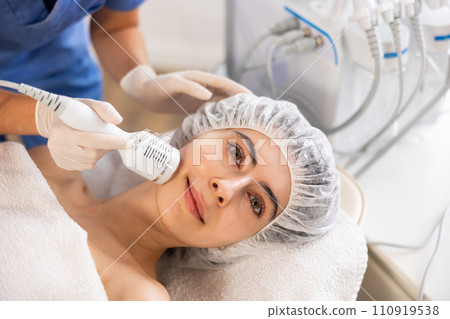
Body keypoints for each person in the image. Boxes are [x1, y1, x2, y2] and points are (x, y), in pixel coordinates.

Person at [26, 93, 340, 300]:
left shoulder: (138, 298)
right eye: (235, 152)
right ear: (200, 133)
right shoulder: (47, 166)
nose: (225, 189)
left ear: (245, 242)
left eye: (256, 203)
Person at [0, 0, 249, 170]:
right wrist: (42, 117)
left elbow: (116, 24)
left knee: (78, 170)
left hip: (56, 54)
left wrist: (140, 79)